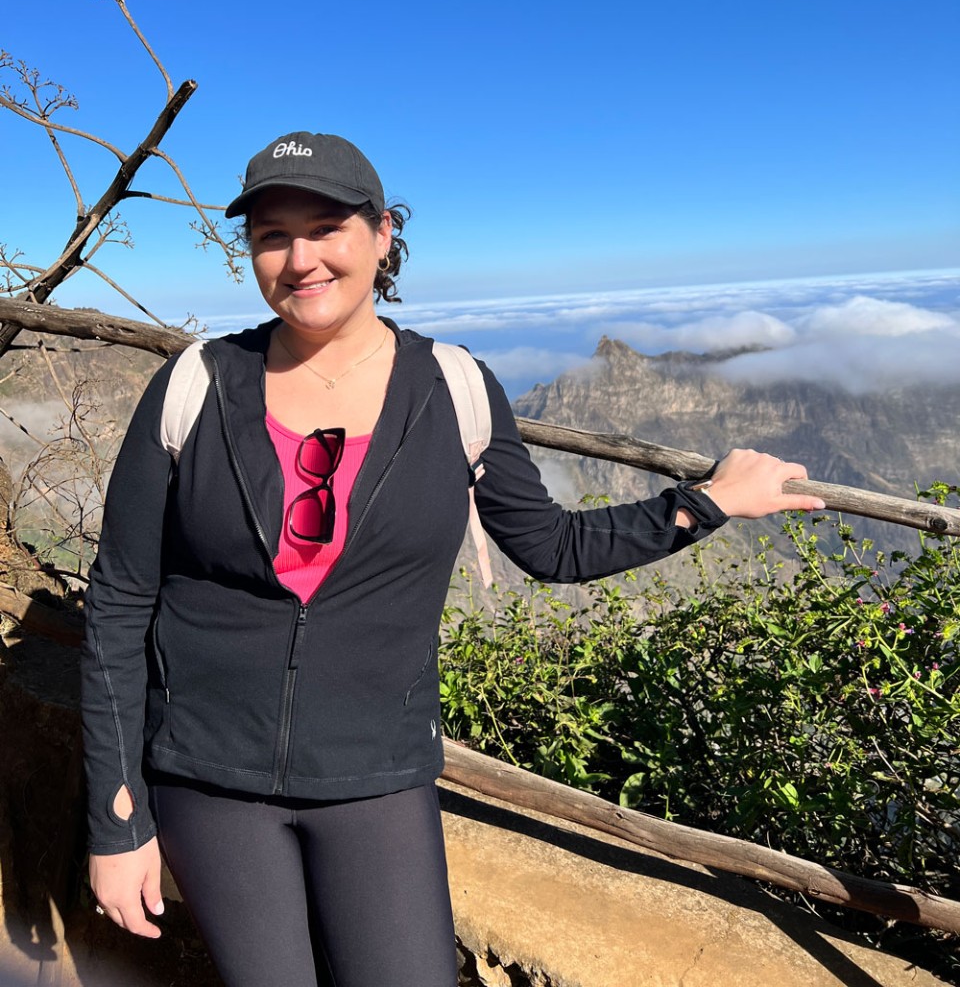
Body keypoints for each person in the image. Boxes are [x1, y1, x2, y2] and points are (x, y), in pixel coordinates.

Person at [82, 131, 826, 987]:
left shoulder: (453, 387)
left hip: (379, 773)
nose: (299, 259)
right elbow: (119, 603)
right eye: (271, 235)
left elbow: (549, 545)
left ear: (382, 233)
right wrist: (117, 820)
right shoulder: (195, 385)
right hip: (209, 778)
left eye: (325, 227)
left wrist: (703, 505)